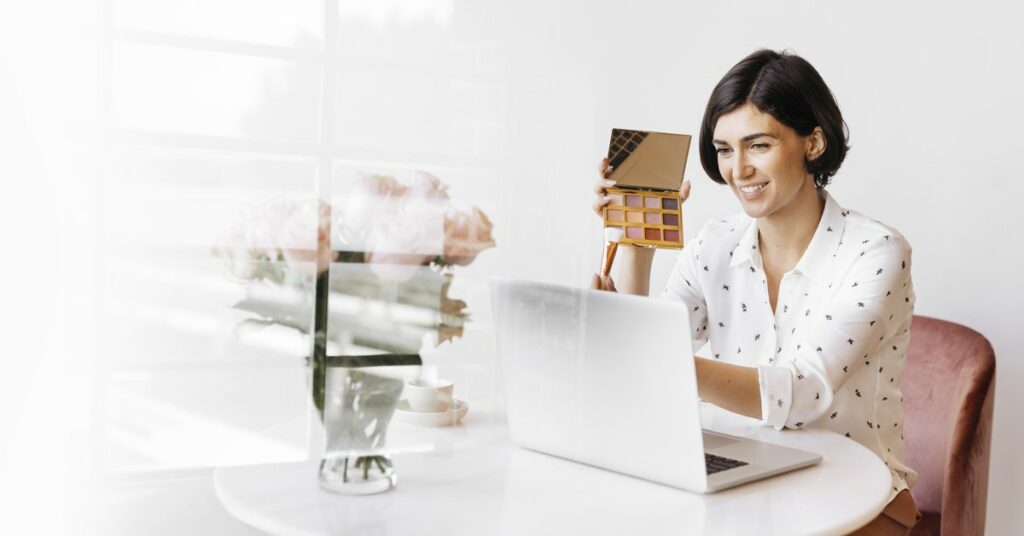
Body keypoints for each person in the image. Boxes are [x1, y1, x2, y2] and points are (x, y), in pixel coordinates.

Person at [591, 49, 921, 535]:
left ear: (813, 142)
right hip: (744, 484)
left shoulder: (875, 252)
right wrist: (637, 245)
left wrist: (661, 362)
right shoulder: (714, 244)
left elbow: (804, 390)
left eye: (758, 145)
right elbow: (645, 377)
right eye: (724, 149)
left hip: (857, 497)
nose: (737, 170)